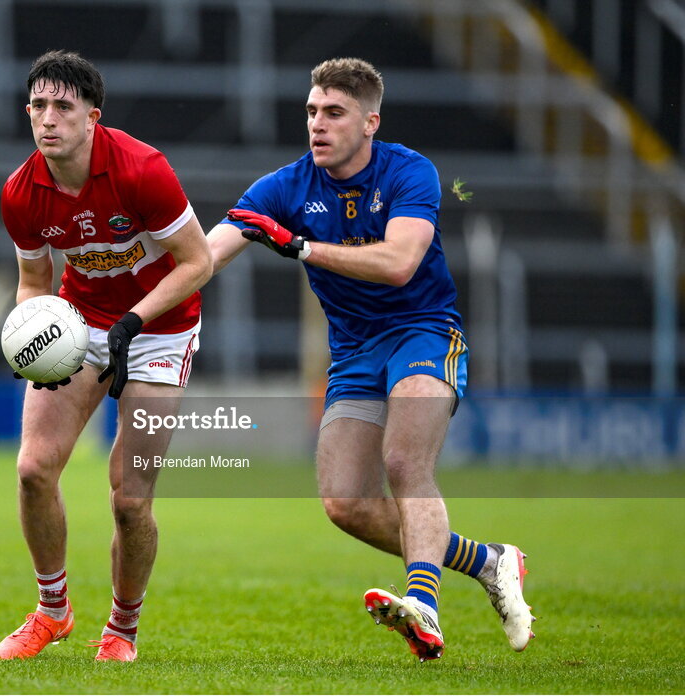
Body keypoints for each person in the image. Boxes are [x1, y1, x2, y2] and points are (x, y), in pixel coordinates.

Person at [207, 57, 534, 661]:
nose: (318, 125)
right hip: (354, 350)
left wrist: (302, 246)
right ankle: (490, 561)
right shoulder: (283, 187)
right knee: (345, 503)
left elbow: (399, 262)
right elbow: (206, 257)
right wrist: (133, 311)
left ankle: (425, 608)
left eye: (334, 113)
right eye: (311, 112)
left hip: (424, 331)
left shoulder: (412, 172)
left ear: (370, 122)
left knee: (405, 461)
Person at [0, 50, 212, 663]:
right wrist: (29, 332)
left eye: (63, 106)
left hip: (162, 329)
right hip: (81, 325)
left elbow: (199, 262)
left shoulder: (142, 170)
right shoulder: (20, 192)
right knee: (34, 468)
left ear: (93, 115)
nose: (48, 119)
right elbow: (35, 280)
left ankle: (122, 629)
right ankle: (52, 612)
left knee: (129, 498)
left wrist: (136, 320)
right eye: (38, 105)